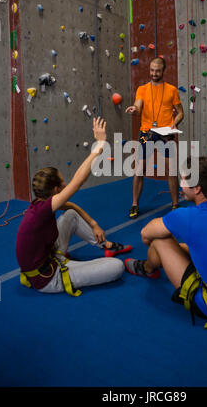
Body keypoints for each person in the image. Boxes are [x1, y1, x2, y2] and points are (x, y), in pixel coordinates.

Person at [124, 157, 207, 329]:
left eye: (184, 181)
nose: (181, 185)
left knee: (160, 240)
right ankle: (159, 260)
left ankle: (148, 268)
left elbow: (145, 234)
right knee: (190, 245)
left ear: (197, 189)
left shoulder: (187, 216)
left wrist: (157, 246)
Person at [16, 117, 132, 296]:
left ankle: (106, 246)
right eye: (63, 183)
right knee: (116, 268)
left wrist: (93, 223)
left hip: (49, 257)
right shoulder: (41, 212)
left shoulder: (40, 205)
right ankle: (77, 265)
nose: (66, 184)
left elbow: (70, 206)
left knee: (70, 214)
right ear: (56, 190)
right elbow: (78, 181)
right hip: (47, 278)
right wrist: (100, 144)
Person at [125, 57, 184, 219]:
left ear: (164, 71)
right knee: (139, 170)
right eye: (151, 70)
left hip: (166, 133)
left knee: (171, 170)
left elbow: (180, 112)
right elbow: (138, 106)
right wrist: (134, 109)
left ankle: (175, 204)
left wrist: (175, 123)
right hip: (147, 133)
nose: (154, 73)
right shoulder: (142, 89)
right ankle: (135, 204)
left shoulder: (172, 90)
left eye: (157, 71)